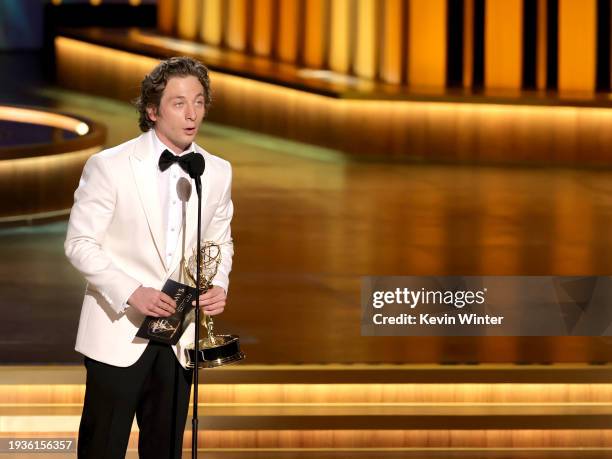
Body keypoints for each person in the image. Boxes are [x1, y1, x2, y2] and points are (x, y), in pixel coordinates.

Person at [65, 56, 234, 458]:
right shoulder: (109, 166)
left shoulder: (218, 171)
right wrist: (131, 291)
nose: (192, 114)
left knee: (165, 449)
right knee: (102, 448)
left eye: (199, 101)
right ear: (152, 110)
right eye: (179, 103)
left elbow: (220, 241)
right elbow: (80, 243)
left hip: (179, 338)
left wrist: (219, 283)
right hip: (118, 331)